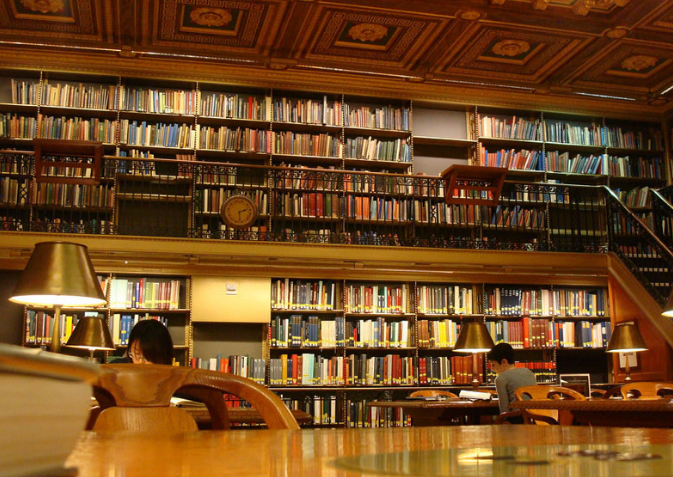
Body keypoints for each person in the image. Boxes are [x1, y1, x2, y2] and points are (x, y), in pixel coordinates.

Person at [487, 342, 536, 415]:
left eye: (493, 365)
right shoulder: (529, 372)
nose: (492, 369)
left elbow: (504, 410)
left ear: (504, 362)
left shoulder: (501, 379)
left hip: (516, 418)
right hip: (534, 417)